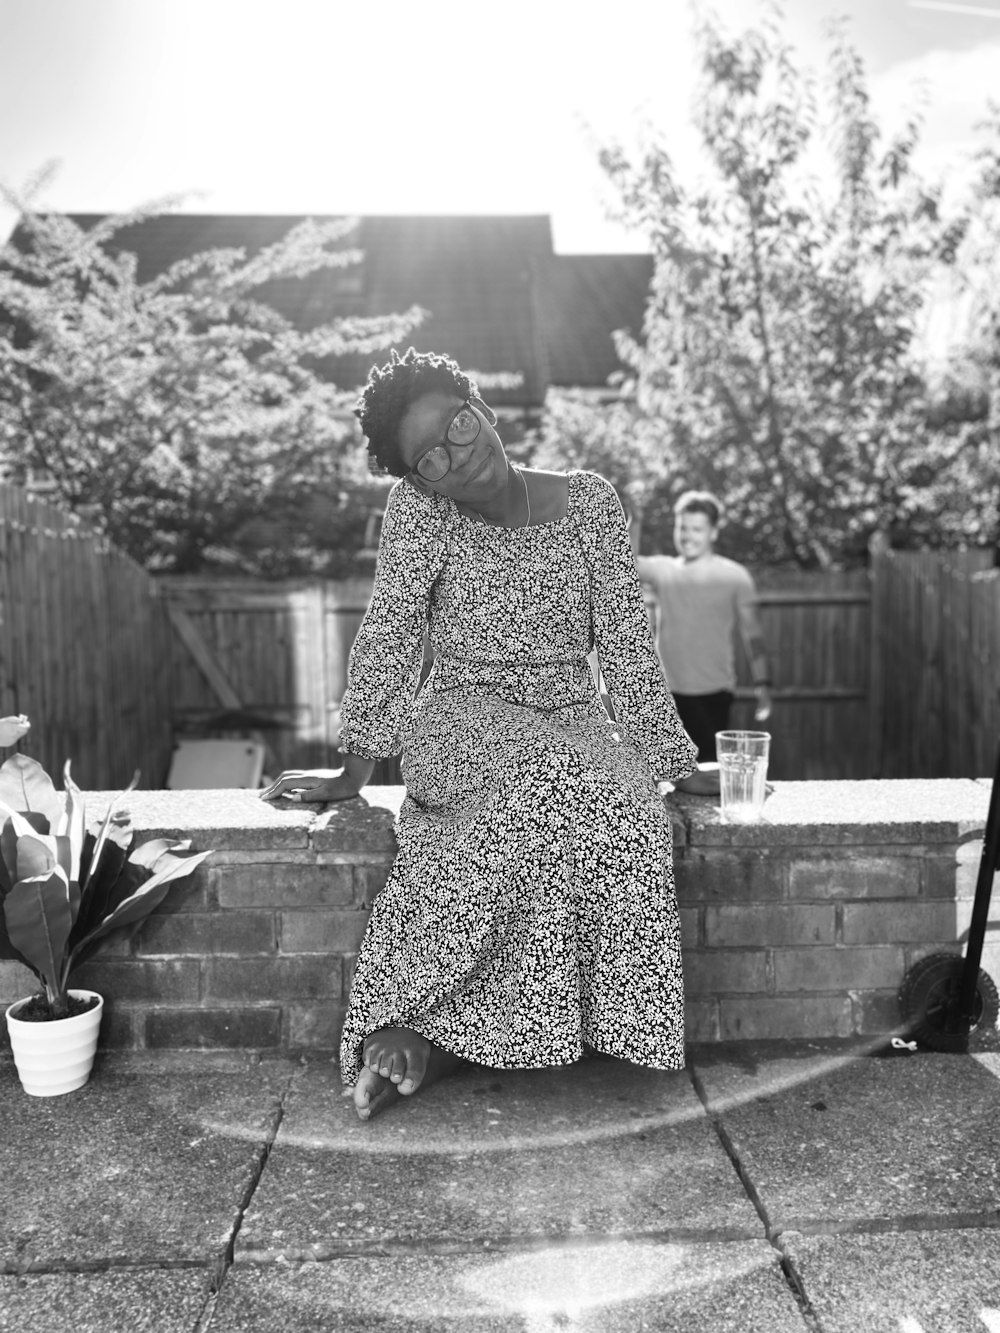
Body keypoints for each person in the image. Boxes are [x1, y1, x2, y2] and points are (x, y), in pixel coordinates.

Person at [261, 347, 701, 1122]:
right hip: (459, 712)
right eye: (430, 458)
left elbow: (628, 644)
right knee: (545, 780)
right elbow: (393, 631)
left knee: (631, 809)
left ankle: (552, 1024)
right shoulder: (421, 513)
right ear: (417, 479)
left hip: (571, 710)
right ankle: (413, 1017)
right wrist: (353, 770)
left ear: (484, 409)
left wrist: (671, 762)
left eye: (459, 428)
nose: (457, 457)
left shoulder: (592, 503)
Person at [630, 491, 773, 763]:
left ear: (714, 533)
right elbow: (625, 563)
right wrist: (636, 519)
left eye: (697, 529)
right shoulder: (663, 570)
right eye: (683, 527)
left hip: (714, 693)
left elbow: (753, 636)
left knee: (707, 772)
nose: (687, 536)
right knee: (668, 773)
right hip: (667, 694)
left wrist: (763, 684)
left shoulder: (734, 577)